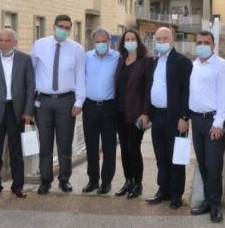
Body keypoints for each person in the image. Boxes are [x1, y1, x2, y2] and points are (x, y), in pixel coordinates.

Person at [31, 14, 85, 194]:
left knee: (65, 143)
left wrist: (79, 101)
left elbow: (80, 76)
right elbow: (32, 72)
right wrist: (31, 100)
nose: (64, 30)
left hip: (66, 101)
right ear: (54, 26)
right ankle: (45, 180)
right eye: (61, 26)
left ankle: (64, 179)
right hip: (44, 101)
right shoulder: (39, 45)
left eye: (67, 28)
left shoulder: (77, 49)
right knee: (45, 143)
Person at [0, 29, 35, 200]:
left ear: (15, 43)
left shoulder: (25, 59)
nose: (3, 44)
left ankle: (18, 186)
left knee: (16, 152)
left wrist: (28, 111)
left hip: (16, 111)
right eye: (0, 40)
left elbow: (30, 87)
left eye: (7, 41)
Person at [147, 27, 193, 209]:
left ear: (172, 39)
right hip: (157, 116)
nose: (161, 41)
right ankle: (163, 190)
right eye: (158, 38)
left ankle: (176, 194)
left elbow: (187, 91)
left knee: (176, 157)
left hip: (175, 118)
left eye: (164, 38)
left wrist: (184, 117)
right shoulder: (154, 62)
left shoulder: (182, 62)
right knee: (161, 156)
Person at [188, 31, 225, 223]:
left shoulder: (221, 65)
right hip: (196, 120)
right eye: (199, 42)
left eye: (206, 42)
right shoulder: (193, 65)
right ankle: (207, 200)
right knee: (203, 163)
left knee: (214, 165)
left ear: (213, 45)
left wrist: (218, 123)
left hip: (214, 121)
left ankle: (215, 205)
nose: (202, 45)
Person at [114, 29, 152, 198]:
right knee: (124, 147)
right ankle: (128, 181)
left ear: (138, 41)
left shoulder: (146, 62)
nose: (129, 41)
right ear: (123, 43)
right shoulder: (120, 60)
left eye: (132, 39)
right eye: (127, 39)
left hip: (137, 114)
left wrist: (145, 112)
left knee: (133, 147)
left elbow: (148, 89)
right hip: (119, 111)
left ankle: (138, 183)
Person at [82, 28, 120, 194]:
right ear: (93, 42)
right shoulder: (86, 57)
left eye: (104, 41)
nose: (101, 44)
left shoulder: (117, 57)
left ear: (109, 41)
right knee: (91, 146)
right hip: (89, 106)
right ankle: (93, 180)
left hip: (109, 107)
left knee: (109, 146)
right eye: (97, 42)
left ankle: (106, 181)